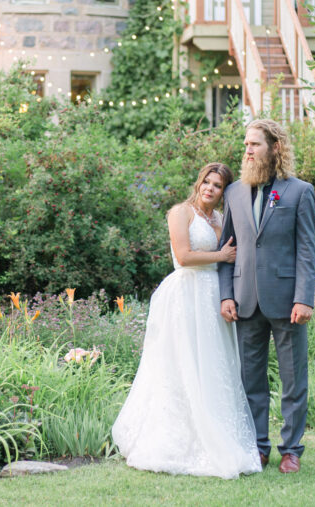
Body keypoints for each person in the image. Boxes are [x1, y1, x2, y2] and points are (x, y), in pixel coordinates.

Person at [112, 163, 261, 478]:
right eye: (207, 182)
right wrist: (222, 256)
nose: (210, 188)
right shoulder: (181, 212)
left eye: (218, 185)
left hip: (213, 298)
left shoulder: (220, 219)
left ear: (224, 192)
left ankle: (216, 434)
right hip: (185, 294)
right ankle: (174, 438)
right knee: (181, 365)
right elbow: (184, 255)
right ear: (199, 182)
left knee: (213, 365)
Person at [218, 119, 315, 475]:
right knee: (251, 380)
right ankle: (257, 447)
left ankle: (291, 449)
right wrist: (226, 294)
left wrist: (304, 298)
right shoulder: (233, 194)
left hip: (287, 300)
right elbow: (226, 249)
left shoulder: (299, 192)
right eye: (245, 145)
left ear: (275, 148)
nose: (247, 151)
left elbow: (307, 250)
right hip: (244, 301)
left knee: (293, 380)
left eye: (254, 145)